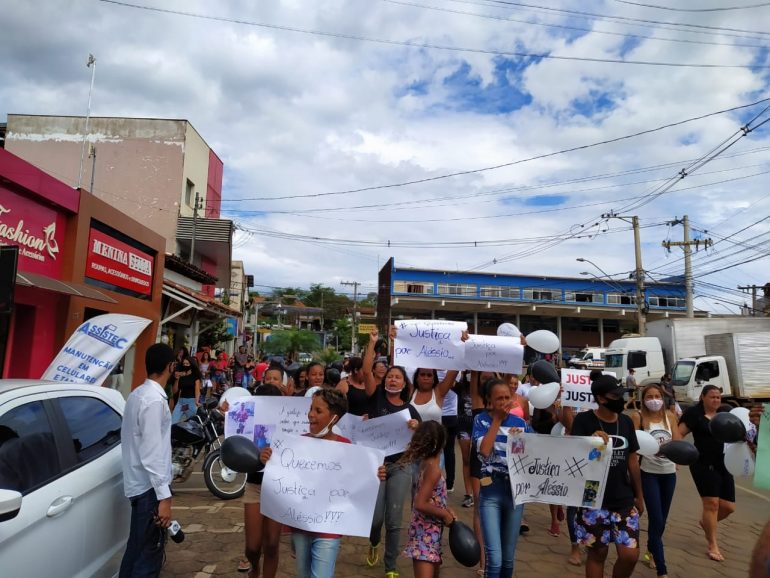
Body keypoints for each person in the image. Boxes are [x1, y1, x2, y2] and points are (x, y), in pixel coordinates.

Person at [260, 389, 386, 578]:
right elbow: (281, 474)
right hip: (300, 525)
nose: (310, 414)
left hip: (330, 528)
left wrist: (376, 473)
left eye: (318, 411)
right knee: (303, 574)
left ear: (334, 418)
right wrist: (267, 458)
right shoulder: (295, 444)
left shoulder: (347, 447)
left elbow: (359, 481)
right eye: (311, 408)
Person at [572, 374, 643, 578]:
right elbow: (574, 457)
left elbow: (632, 461)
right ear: (601, 399)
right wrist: (590, 442)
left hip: (624, 499)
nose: (620, 399)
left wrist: (639, 495)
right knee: (598, 553)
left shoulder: (627, 422)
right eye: (615, 395)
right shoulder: (584, 421)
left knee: (630, 555)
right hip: (593, 500)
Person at [362, 332, 420, 577]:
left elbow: (420, 442)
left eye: (398, 377)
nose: (393, 380)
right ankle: (374, 541)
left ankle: (391, 567)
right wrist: (373, 343)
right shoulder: (376, 398)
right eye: (390, 376)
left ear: (405, 384)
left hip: (402, 466)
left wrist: (417, 429)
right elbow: (366, 371)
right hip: (377, 466)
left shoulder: (410, 411)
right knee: (376, 519)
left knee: (395, 520)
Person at [119, 343, 176, 577]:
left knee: (137, 549)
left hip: (139, 485)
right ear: (170, 367)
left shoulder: (137, 394)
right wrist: (164, 497)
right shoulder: (153, 400)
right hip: (148, 488)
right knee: (147, 555)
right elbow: (152, 454)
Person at [472, 377, 529, 578]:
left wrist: (520, 440)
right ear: (489, 399)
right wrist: (496, 421)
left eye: (507, 397)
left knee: (507, 560)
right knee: (494, 560)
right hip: (491, 492)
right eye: (499, 399)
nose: (504, 402)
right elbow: (484, 452)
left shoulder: (521, 423)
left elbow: (537, 452)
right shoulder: (480, 420)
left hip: (515, 493)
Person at [678, 384, 736, 562]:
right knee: (712, 504)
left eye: (718, 397)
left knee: (728, 507)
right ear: (703, 397)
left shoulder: (726, 413)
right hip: (702, 464)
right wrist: (677, 455)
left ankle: (707, 523)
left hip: (725, 464)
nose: (716, 400)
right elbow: (679, 434)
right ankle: (713, 544)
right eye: (712, 397)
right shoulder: (694, 414)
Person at [631, 384, 681, 577]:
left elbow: (677, 441)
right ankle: (662, 569)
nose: (654, 399)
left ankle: (651, 550)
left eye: (657, 395)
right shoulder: (638, 417)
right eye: (649, 396)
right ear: (643, 400)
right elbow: (633, 446)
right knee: (656, 518)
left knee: (662, 521)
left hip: (669, 474)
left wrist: (674, 450)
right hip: (648, 473)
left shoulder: (670, 417)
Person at [236, 384, 283, 577]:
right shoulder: (249, 425)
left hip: (278, 489)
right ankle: (254, 567)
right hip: (255, 486)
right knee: (253, 547)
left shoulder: (289, 423)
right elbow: (237, 449)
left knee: (272, 544)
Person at [401, 421, 457, 578]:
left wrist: (446, 509)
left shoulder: (425, 466)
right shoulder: (433, 470)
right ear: (442, 443)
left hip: (429, 534)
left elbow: (432, 497)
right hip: (425, 534)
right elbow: (420, 502)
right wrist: (444, 515)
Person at [455, 372, 475, 509]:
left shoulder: (484, 386)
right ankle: (469, 494)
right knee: (466, 459)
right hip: (463, 426)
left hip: (480, 426)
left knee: (479, 459)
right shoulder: (459, 387)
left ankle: (480, 491)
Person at [441, 380, 459, 493]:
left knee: (448, 450)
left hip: (450, 415)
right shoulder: (430, 369)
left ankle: (449, 482)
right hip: (434, 412)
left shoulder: (453, 371)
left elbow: (453, 384)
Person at [171, 357, 202, 423]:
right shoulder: (180, 375)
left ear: (191, 364)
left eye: (187, 364)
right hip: (181, 403)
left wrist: (196, 401)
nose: (185, 365)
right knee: (172, 422)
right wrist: (177, 379)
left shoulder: (195, 376)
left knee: (193, 424)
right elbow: (174, 391)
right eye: (184, 363)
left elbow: (197, 390)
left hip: (191, 402)